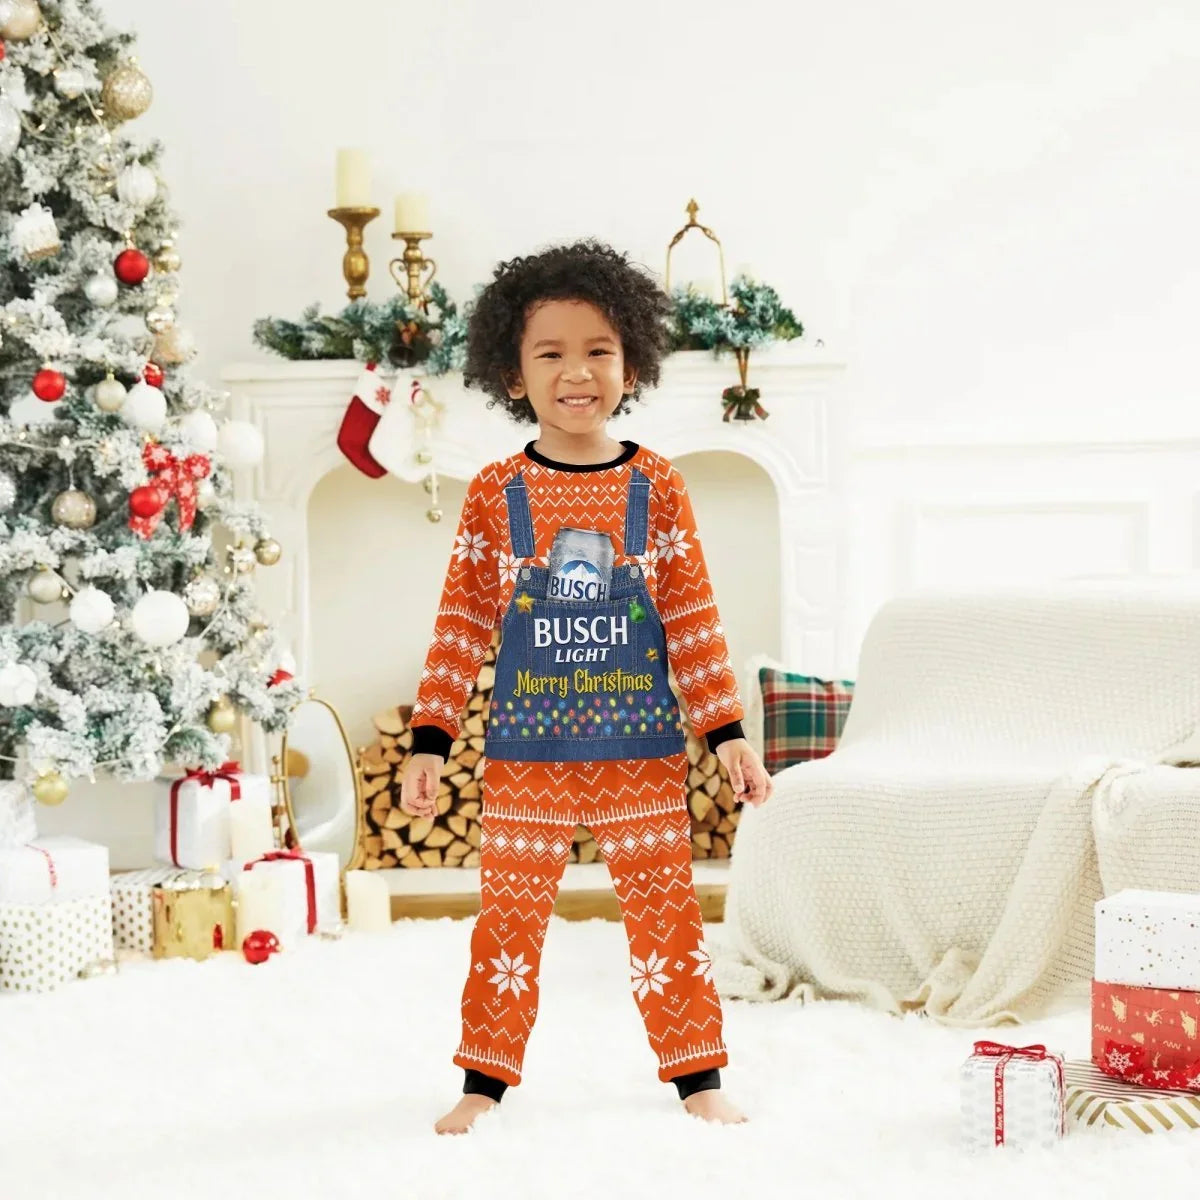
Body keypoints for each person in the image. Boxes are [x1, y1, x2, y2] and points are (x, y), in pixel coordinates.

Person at [400, 240, 774, 1135]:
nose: (577, 372)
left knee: (666, 921)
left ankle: (699, 1078)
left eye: (599, 350)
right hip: (526, 758)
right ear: (511, 372)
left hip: (640, 754)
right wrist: (428, 741)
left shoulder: (659, 486)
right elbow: (459, 625)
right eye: (551, 353)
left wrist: (728, 736)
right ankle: (482, 1082)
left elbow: (691, 620)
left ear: (633, 361)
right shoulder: (496, 493)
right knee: (508, 925)